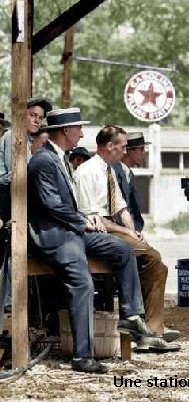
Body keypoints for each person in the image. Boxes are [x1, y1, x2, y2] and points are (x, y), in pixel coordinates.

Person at [28, 108, 158, 373]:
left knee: (123, 250)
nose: (82, 134)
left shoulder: (59, 157)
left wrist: (88, 219)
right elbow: (52, 205)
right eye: (78, 129)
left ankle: (131, 315)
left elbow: (66, 204)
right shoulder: (43, 161)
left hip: (72, 230)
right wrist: (84, 221)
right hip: (55, 236)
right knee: (83, 283)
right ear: (65, 131)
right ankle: (83, 356)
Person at [74, 125, 180, 347]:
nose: (125, 151)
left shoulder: (110, 170)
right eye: (122, 147)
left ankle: (152, 330)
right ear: (110, 146)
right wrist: (125, 232)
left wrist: (133, 231)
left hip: (115, 229)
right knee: (152, 257)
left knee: (157, 265)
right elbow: (92, 218)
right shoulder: (87, 172)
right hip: (98, 231)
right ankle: (137, 322)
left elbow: (121, 208)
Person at [0, 97, 52, 312]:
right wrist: (32, 166)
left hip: (30, 207)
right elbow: (8, 177)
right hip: (9, 203)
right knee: (12, 259)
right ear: (22, 115)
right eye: (32, 115)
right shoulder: (13, 137)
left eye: (40, 118)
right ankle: (9, 309)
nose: (37, 121)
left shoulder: (36, 140)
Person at [112, 132, 149, 233]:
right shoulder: (114, 171)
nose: (144, 153)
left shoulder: (129, 173)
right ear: (129, 151)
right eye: (141, 149)